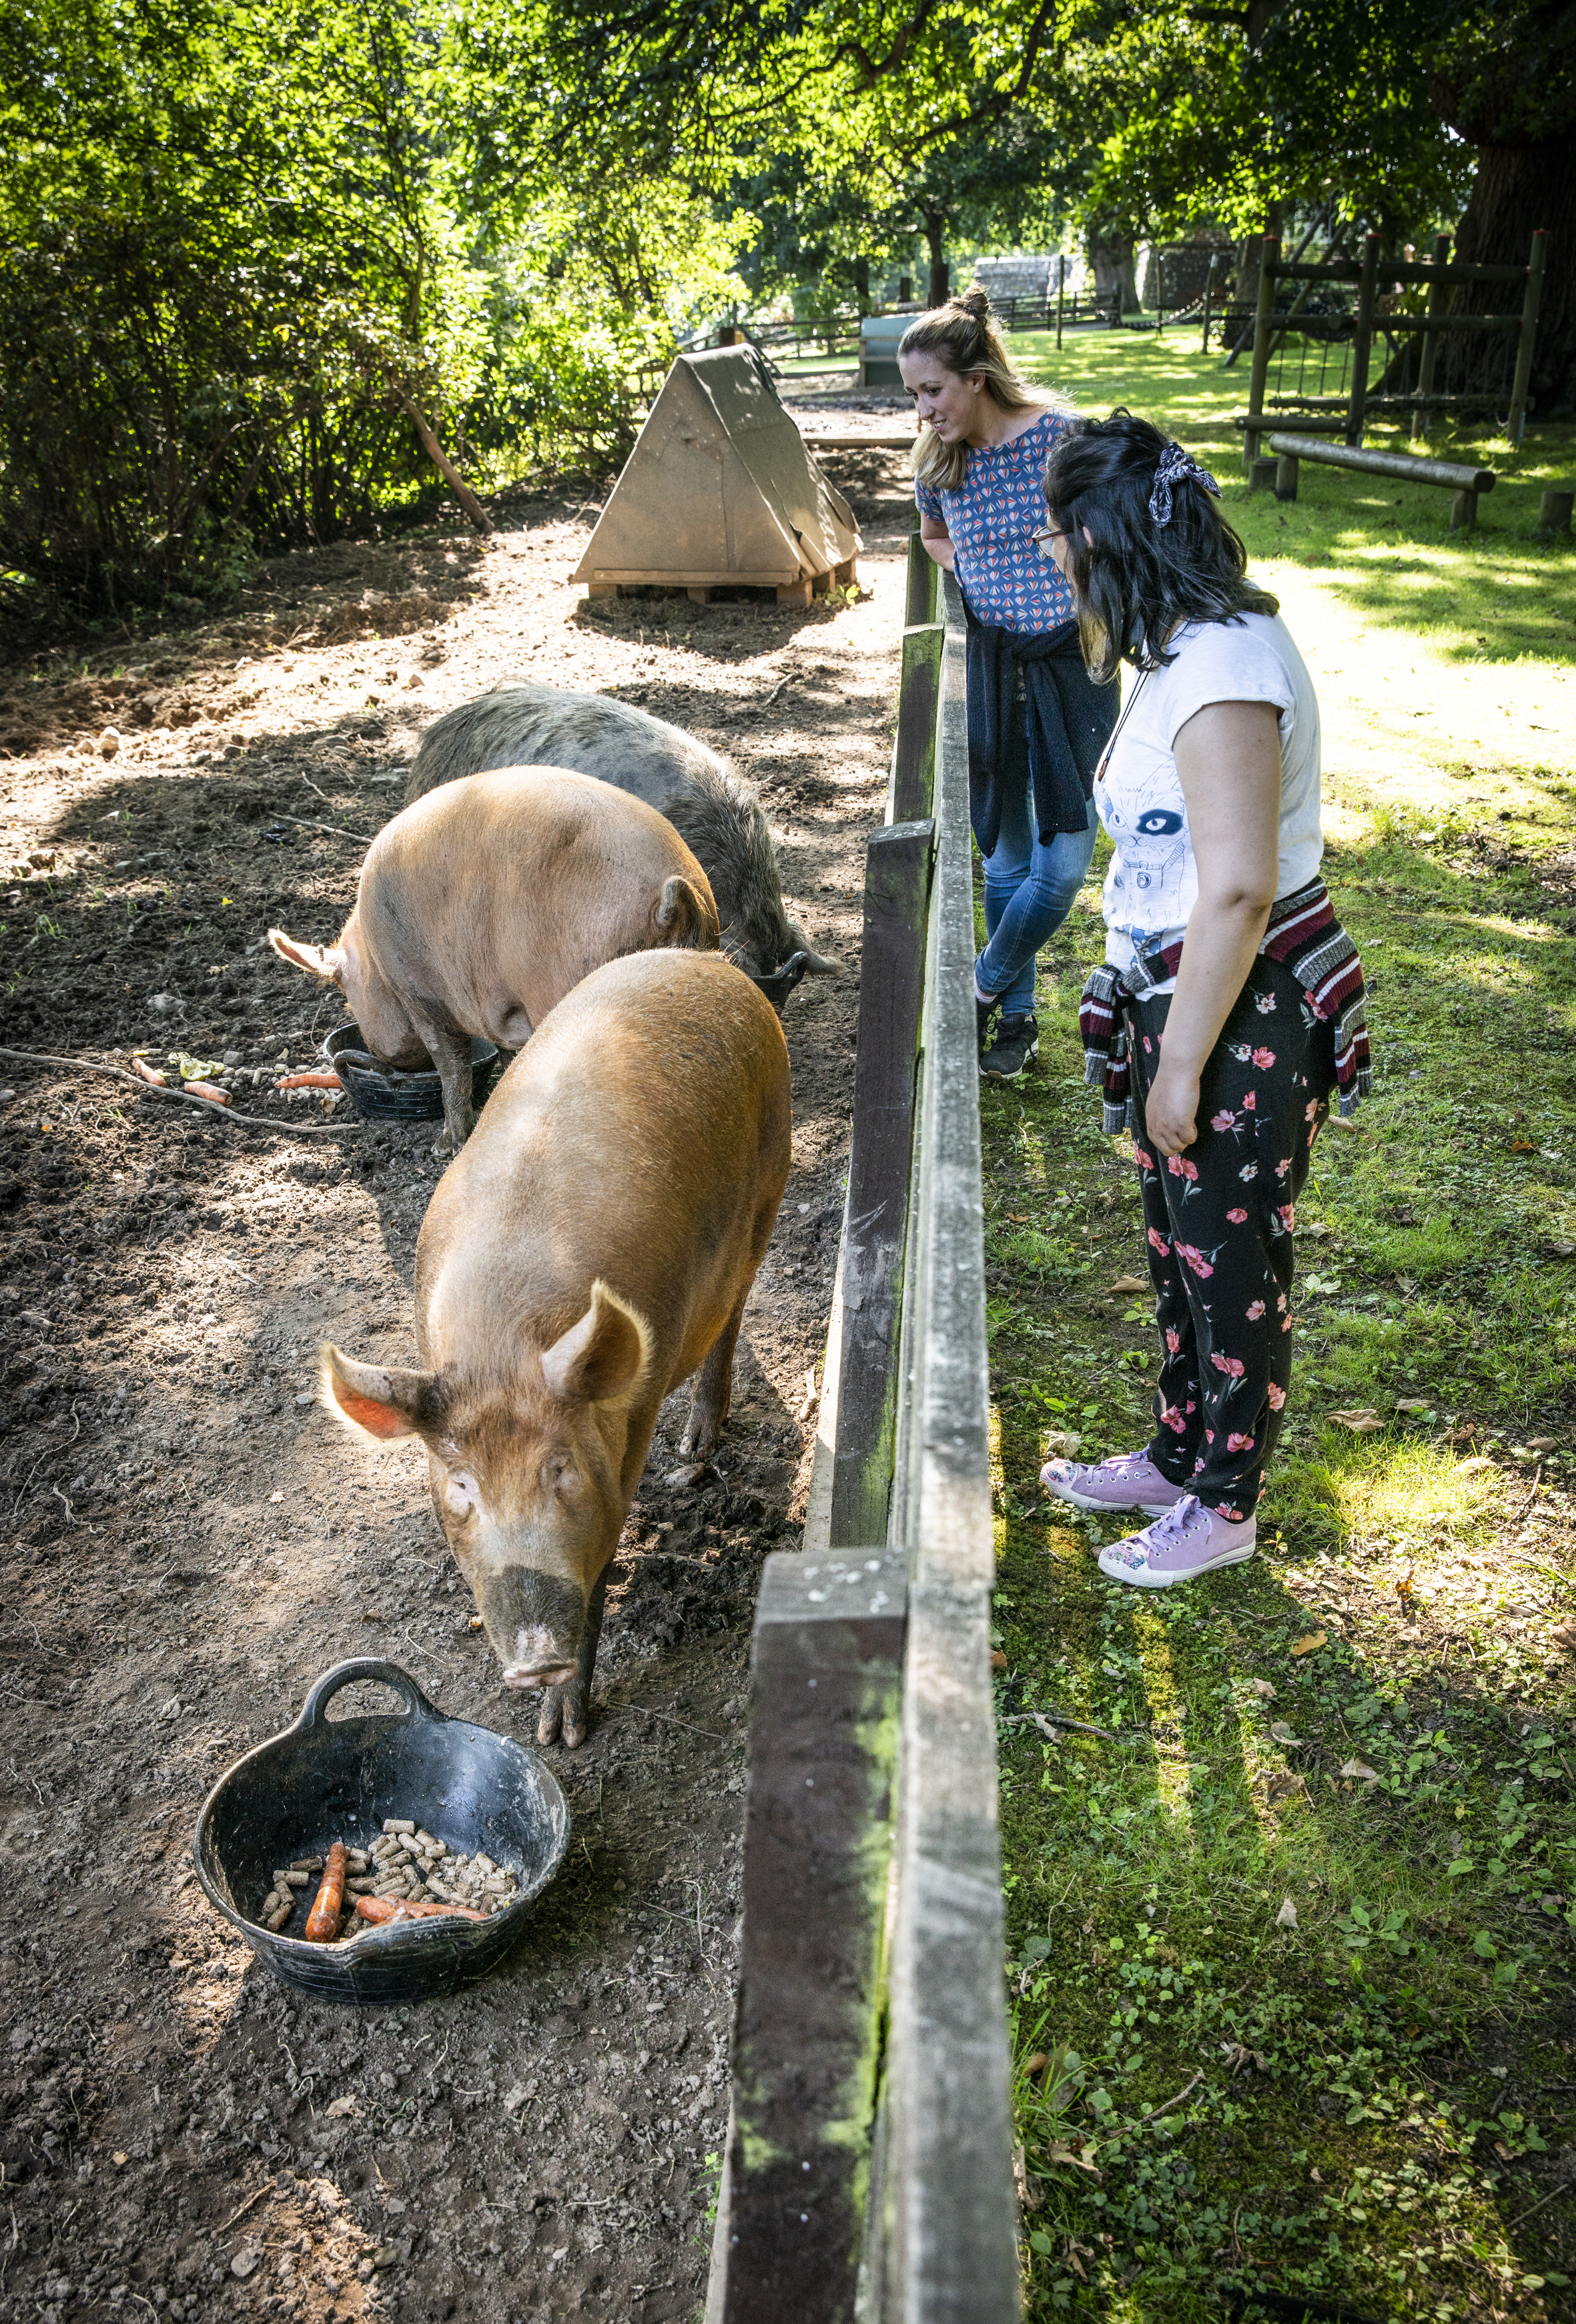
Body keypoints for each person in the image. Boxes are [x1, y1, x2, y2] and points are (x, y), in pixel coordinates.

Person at [1037, 411, 1370, 1587]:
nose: (1053, 556)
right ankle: (1181, 1452)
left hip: (1238, 1006)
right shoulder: (1183, 649)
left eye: (1059, 534)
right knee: (1182, 1250)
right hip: (1183, 995)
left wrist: (1180, 1063)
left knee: (1232, 1261)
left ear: (1106, 534)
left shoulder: (1227, 667)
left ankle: (1224, 1500)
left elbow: (1234, 885)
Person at [899, 292, 1118, 1080]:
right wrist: (980, 573)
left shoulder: (1063, 440)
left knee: (1061, 867)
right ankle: (1016, 1020)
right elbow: (931, 535)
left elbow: (1111, 535)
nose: (923, 411)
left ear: (978, 376)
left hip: (1073, 666)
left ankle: (980, 984)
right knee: (1006, 857)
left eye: (932, 391)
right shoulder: (937, 460)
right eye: (913, 396)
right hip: (993, 667)